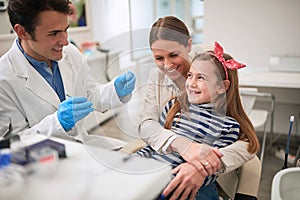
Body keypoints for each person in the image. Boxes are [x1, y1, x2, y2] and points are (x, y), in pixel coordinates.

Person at [138, 16, 260, 200]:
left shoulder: (213, 68)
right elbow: (147, 126)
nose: (167, 65)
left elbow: (245, 139)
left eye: (173, 55)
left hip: (201, 180)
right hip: (159, 169)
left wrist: (201, 167)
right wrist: (181, 145)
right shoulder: (169, 100)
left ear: (188, 45)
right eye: (158, 58)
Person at [0, 0, 136, 139]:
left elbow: (90, 94)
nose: (65, 41)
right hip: (41, 158)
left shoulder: (70, 52)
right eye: (53, 34)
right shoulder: (4, 78)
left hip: (81, 146)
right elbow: (11, 145)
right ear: (22, 32)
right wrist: (57, 124)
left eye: (66, 30)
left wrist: (113, 91)